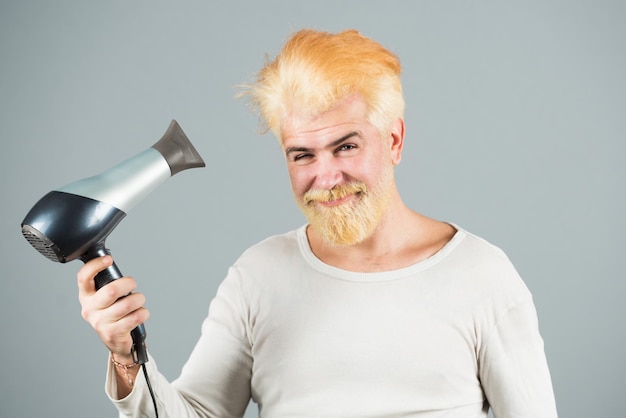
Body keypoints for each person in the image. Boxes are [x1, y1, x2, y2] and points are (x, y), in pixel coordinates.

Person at [77, 29, 558, 417]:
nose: (326, 177)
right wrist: (124, 354)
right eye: (302, 154)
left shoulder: (482, 277)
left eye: (346, 146)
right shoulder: (259, 276)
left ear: (393, 140)